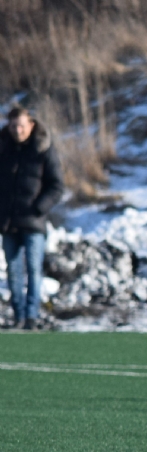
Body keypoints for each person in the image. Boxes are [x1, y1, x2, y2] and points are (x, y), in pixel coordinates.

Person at [0, 106, 64, 330]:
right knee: (13, 271)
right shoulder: (3, 148)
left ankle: (31, 316)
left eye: (21, 126)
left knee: (34, 269)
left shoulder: (43, 148)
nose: (17, 130)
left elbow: (56, 186)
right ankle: (18, 316)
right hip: (8, 222)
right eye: (13, 126)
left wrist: (39, 207)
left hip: (33, 222)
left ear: (31, 125)